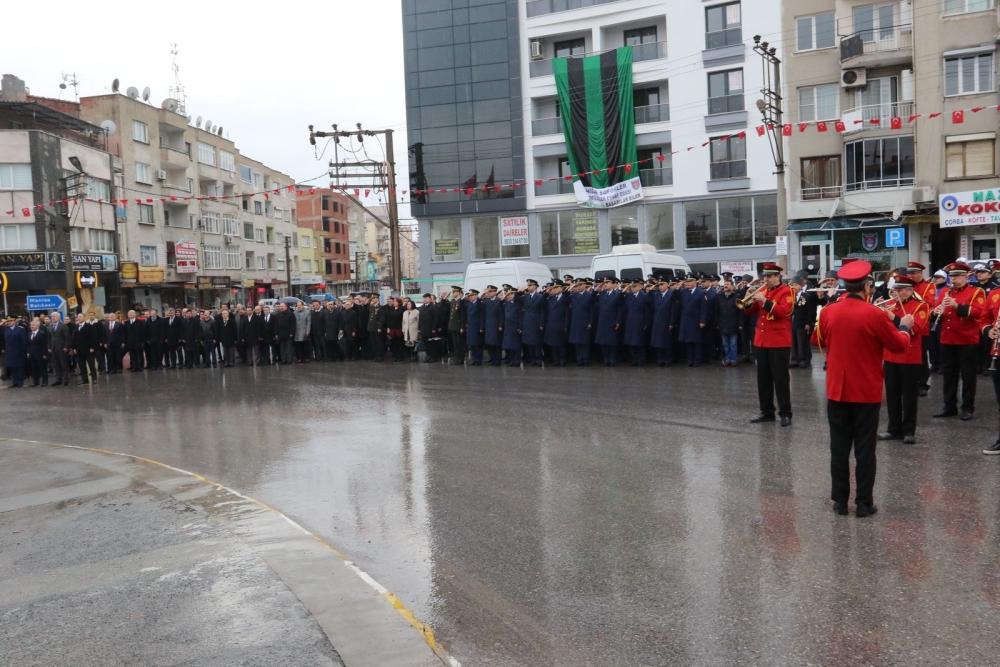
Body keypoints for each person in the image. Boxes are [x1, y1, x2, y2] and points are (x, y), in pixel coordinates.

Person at [811, 260, 913, 517]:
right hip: (865, 391)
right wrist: (904, 328)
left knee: (839, 448)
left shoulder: (829, 311)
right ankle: (864, 504)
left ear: (846, 286)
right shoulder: (874, 314)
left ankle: (840, 501)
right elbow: (898, 346)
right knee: (865, 450)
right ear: (867, 287)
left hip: (837, 390)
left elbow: (816, 339)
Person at [878, 276, 930, 444]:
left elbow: (915, 329)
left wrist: (893, 317)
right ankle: (894, 429)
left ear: (910, 291)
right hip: (890, 355)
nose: (896, 293)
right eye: (895, 290)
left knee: (909, 395)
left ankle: (909, 430)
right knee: (892, 394)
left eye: (900, 290)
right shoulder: (890, 305)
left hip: (910, 355)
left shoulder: (920, 306)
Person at [932, 262, 986, 421]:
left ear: (965, 276)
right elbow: (934, 310)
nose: (953, 279)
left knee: (968, 375)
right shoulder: (943, 292)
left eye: (956, 276)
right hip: (947, 338)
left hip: (967, 339)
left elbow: (979, 312)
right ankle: (949, 406)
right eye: (951, 276)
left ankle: (967, 407)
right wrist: (935, 311)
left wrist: (956, 305)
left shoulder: (976, 292)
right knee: (949, 375)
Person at [745, 263, 794, 426]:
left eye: (768, 276)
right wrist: (748, 300)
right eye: (764, 276)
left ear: (777, 277)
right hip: (762, 340)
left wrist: (764, 300)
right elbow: (750, 312)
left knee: (780, 379)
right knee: (763, 379)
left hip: (779, 341)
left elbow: (782, 312)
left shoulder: (787, 291)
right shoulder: (763, 291)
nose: (765, 279)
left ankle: (785, 413)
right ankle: (766, 411)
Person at [906, 261, 935, 396]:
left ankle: (923, 383)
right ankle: (911, 382)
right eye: (908, 273)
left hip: (921, 326)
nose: (910, 276)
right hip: (906, 324)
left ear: (920, 273)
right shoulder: (905, 287)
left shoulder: (928, 286)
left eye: (913, 273)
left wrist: (911, 296)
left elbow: (928, 303)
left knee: (922, 357)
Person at [676, 274, 707, 367]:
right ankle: (690, 360)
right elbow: (675, 298)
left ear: (695, 282)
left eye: (689, 281)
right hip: (686, 320)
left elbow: (704, 308)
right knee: (687, 342)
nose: (687, 283)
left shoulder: (701, 292)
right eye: (686, 282)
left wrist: (702, 321)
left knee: (696, 342)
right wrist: (678, 288)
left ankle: (697, 360)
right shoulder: (683, 292)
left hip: (696, 320)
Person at [716, 278, 742, 367]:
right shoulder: (720, 297)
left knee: (733, 344)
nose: (726, 286)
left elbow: (740, 311)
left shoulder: (736, 296)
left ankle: (733, 359)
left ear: (732, 286)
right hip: (723, 324)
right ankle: (727, 359)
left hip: (734, 324)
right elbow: (717, 311)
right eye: (725, 284)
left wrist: (740, 324)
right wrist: (717, 323)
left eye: (728, 284)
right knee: (725, 344)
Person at [568, 280, 595, 367]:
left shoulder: (588, 295)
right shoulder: (574, 295)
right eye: (577, 285)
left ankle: (586, 359)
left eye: (580, 285)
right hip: (576, 321)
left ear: (584, 285)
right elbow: (565, 297)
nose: (578, 287)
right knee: (577, 342)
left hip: (585, 321)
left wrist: (590, 322)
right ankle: (579, 359)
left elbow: (591, 310)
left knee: (585, 342)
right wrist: (570, 288)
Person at [543, 280, 570, 367]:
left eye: (556, 287)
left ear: (561, 288)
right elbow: (542, 302)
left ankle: (562, 360)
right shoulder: (551, 298)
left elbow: (567, 313)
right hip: (552, 323)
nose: (554, 289)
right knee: (553, 344)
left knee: (561, 344)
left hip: (561, 323)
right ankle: (556, 360)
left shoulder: (565, 298)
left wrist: (566, 325)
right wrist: (546, 293)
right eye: (553, 288)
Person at [521, 279, 545, 367]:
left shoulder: (539, 296)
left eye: (530, 285)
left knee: (536, 342)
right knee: (529, 342)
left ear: (535, 286)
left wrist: (541, 323)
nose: (529, 287)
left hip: (536, 320)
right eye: (528, 286)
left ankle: (538, 360)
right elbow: (517, 300)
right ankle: (533, 360)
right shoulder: (526, 296)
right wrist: (520, 292)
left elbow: (542, 311)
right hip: (527, 321)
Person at [74, 312, 99, 385]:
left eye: (80, 316)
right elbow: (75, 338)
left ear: (84, 317)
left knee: (91, 365)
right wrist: (74, 347)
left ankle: (94, 379)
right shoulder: (76, 327)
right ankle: (85, 379)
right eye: (78, 316)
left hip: (88, 349)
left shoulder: (89, 326)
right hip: (79, 349)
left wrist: (92, 347)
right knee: (82, 366)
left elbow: (93, 338)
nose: (79, 318)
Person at [47, 311, 71, 386]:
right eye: (52, 317)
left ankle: (66, 379)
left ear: (58, 317)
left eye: (54, 316)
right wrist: (49, 347)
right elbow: (48, 338)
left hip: (61, 347)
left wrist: (66, 346)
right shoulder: (50, 326)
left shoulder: (63, 326)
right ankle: (58, 379)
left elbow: (67, 337)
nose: (52, 318)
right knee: (56, 364)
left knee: (63, 364)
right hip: (53, 348)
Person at [483, 286, 505, 366]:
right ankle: (492, 358)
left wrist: (500, 325)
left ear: (495, 292)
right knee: (490, 343)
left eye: (491, 292)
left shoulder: (499, 301)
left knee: (496, 344)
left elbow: (501, 314)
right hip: (489, 324)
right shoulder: (486, 301)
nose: (489, 293)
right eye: (488, 292)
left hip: (496, 324)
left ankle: (497, 360)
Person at [502, 288, 523, 366]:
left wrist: (520, 327)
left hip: (515, 326)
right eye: (508, 294)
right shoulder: (507, 303)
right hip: (508, 326)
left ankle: (517, 361)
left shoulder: (518, 304)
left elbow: (520, 316)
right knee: (509, 345)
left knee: (516, 345)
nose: (510, 296)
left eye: (512, 294)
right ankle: (511, 360)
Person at [446, 287, 466, 365]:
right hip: (453, 325)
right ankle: (456, 358)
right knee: (455, 344)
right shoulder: (453, 301)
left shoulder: (461, 302)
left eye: (454, 292)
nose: (453, 293)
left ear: (458, 292)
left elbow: (463, 316)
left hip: (458, 326)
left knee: (460, 343)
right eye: (452, 292)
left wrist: (462, 327)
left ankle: (460, 359)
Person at [5, 317, 27, 387]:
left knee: (19, 367)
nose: (9, 322)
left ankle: (20, 382)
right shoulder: (6, 330)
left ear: (15, 321)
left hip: (18, 351)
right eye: (8, 321)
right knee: (12, 367)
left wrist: (23, 351)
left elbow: (24, 341)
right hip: (10, 351)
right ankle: (15, 382)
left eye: (11, 321)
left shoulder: (20, 329)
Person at [465, 289, 486, 366]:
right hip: (471, 327)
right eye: (470, 296)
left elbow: (482, 316)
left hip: (477, 327)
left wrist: (481, 327)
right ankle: (474, 359)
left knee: (478, 345)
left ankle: (478, 360)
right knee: (472, 345)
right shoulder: (469, 304)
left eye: (472, 295)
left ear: (476, 295)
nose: (471, 297)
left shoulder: (479, 303)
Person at [26, 318, 49, 387]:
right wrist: (28, 352)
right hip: (32, 354)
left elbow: (44, 345)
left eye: (33, 325)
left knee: (42, 368)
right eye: (31, 325)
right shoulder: (29, 334)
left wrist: (45, 353)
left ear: (37, 326)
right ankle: (35, 382)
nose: (31, 327)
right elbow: (28, 344)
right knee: (34, 369)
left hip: (40, 354)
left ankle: (45, 381)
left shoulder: (41, 334)